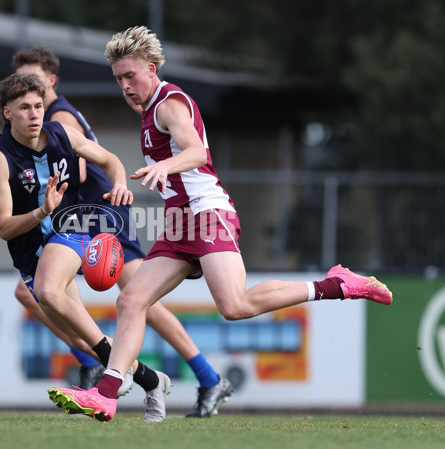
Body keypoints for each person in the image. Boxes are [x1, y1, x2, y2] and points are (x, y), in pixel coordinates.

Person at [47, 26, 394, 422]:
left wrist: (164, 165)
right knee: (131, 299)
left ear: (152, 68)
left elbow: (196, 151)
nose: (125, 85)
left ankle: (337, 284)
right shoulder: (146, 107)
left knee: (235, 305)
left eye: (131, 76)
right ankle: (106, 395)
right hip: (180, 222)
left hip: (208, 213)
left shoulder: (169, 104)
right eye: (118, 78)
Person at [11, 46, 233, 417]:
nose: (27, 90)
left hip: (96, 213)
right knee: (58, 292)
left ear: (50, 81)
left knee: (126, 296)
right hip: (80, 215)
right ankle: (191, 375)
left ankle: (102, 362)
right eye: (21, 83)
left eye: (33, 81)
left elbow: (76, 174)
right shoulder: (43, 118)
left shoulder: (60, 118)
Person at [0, 72, 171, 422]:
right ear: (7, 112)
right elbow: (3, 228)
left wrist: (118, 185)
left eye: (39, 105)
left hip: (72, 229)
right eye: (24, 108)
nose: (35, 114)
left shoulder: (62, 133)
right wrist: (41, 210)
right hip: (31, 252)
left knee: (47, 291)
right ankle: (151, 380)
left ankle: (109, 386)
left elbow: (110, 159)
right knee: (85, 341)